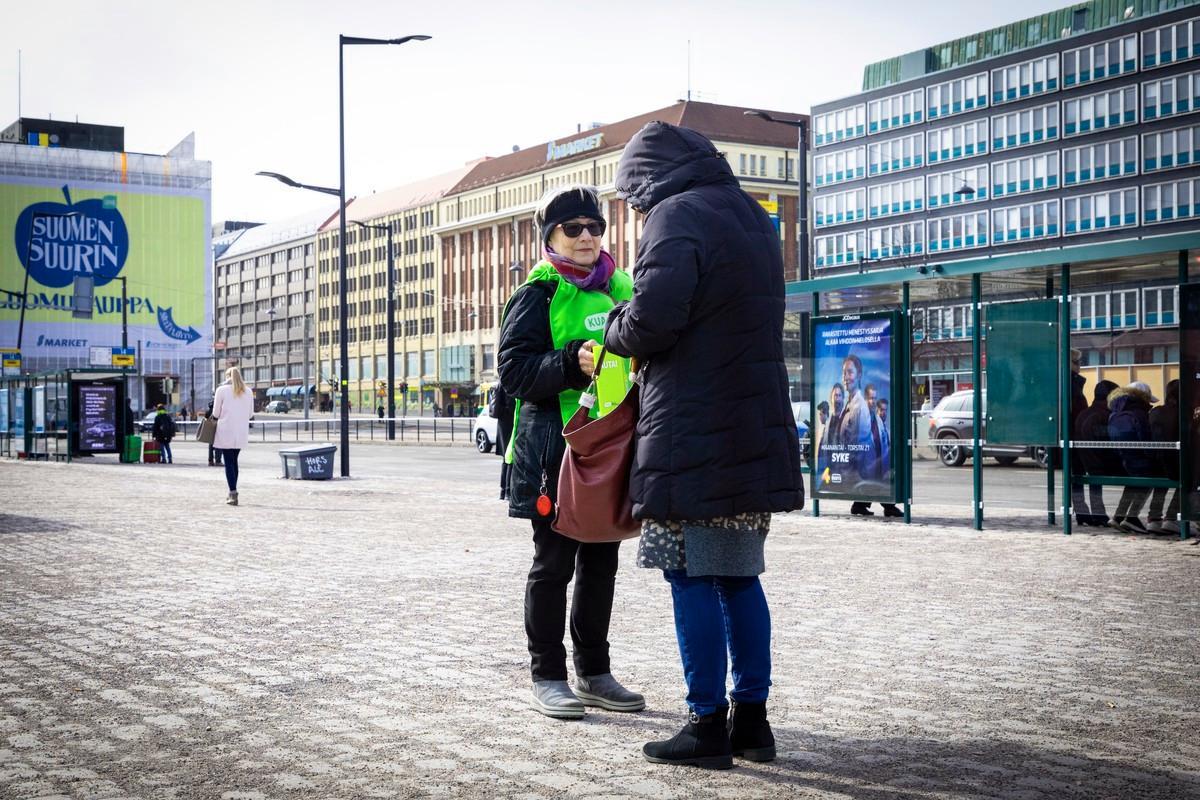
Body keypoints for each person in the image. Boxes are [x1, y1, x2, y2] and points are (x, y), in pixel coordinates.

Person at [605, 122, 804, 769]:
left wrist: (611, 329)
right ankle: (753, 722)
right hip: (752, 430)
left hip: (692, 434)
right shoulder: (751, 215)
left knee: (689, 574)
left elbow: (653, 319)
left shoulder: (675, 215)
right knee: (740, 577)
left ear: (646, 181)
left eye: (634, 197)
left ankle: (704, 723)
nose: (636, 210)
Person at [498, 184, 643, 721]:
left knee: (602, 562)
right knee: (553, 564)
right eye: (572, 228)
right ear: (551, 237)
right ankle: (548, 675)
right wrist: (568, 362)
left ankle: (595, 673)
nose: (586, 237)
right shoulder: (537, 293)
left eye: (594, 227)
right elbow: (513, 373)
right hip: (553, 452)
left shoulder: (623, 288)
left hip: (610, 447)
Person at [1107, 381, 1158, 534]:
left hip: (1125, 460)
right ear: (1142, 397)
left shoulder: (1115, 413)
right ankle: (1132, 517)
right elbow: (1145, 440)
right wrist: (1153, 456)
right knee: (1147, 482)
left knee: (1131, 485)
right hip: (1141, 460)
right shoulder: (1139, 413)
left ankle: (1118, 516)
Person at [1075, 380, 1120, 527]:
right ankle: (1103, 515)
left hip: (1083, 461)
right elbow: (1108, 442)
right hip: (1100, 463)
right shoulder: (1105, 415)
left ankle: (1087, 513)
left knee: (1086, 480)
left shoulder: (1084, 413)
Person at [212, 366, 254, 506]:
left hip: (225, 430)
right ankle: (233, 491)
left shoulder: (221, 390)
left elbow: (216, 413)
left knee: (228, 462)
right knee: (234, 461)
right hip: (241, 431)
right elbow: (250, 414)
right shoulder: (248, 391)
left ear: (227, 376)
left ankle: (233, 492)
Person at [1147, 380, 1181, 534]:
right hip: (1176, 461)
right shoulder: (1183, 412)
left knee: (1160, 486)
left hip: (1156, 461)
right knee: (1190, 481)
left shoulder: (1155, 412)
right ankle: (1172, 518)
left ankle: (1154, 519)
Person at [490, 382, 515, 500]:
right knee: (509, 457)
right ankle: (507, 491)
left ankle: (503, 491)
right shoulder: (509, 384)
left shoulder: (500, 383)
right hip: (509, 423)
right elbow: (511, 405)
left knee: (506, 458)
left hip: (503, 424)